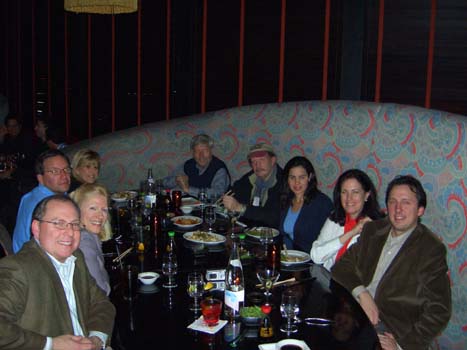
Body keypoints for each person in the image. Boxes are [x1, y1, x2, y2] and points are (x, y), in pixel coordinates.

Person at [331, 175, 451, 350]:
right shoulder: (374, 230)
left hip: (388, 330)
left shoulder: (431, 250)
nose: (398, 209)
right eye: (393, 202)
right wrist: (362, 293)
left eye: (406, 202)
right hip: (354, 312)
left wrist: (402, 346)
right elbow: (341, 267)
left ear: (420, 210)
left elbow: (439, 310)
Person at [0, 194, 115, 349]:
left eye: (74, 224)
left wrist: (96, 337)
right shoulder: (18, 268)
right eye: (59, 223)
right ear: (36, 228)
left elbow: (101, 303)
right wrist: (50, 344)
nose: (69, 232)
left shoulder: (75, 257)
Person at [311, 169, 384, 271]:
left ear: (366, 195)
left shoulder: (375, 226)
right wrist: (351, 233)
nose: (349, 198)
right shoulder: (335, 218)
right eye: (344, 192)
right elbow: (316, 256)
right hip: (329, 280)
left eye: (355, 192)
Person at [12, 149, 71, 253]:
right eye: (55, 171)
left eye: (66, 170)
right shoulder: (43, 204)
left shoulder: (34, 195)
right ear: (40, 178)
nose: (64, 176)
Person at [223, 142, 283, 229]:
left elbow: (275, 217)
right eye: (253, 161)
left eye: (262, 160)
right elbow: (233, 192)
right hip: (247, 230)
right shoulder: (250, 178)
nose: (257, 165)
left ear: (273, 160)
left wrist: (241, 208)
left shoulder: (284, 182)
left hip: (271, 235)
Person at [279, 156, 333, 252]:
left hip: (311, 260)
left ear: (310, 177)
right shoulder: (286, 199)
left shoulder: (322, 203)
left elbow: (328, 241)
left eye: (302, 177)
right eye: (292, 177)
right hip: (289, 256)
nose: (297, 182)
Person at [70, 183, 112, 295]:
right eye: (93, 208)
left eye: (104, 210)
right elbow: (99, 291)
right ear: (77, 210)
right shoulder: (84, 242)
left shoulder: (88, 235)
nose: (100, 216)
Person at [163, 134, 231, 198]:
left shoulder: (219, 168)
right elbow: (164, 183)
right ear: (192, 153)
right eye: (197, 151)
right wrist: (176, 180)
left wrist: (188, 189)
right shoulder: (188, 165)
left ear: (211, 151)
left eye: (205, 151)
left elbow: (218, 193)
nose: (201, 155)